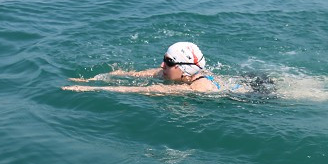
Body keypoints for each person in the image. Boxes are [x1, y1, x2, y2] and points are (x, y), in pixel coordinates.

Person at [63, 42, 230, 94]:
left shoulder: (199, 87)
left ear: (184, 69)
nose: (162, 65)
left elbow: (143, 90)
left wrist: (87, 88)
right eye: (164, 59)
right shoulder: (173, 73)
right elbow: (131, 74)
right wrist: (92, 79)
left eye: (169, 62)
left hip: (253, 95)